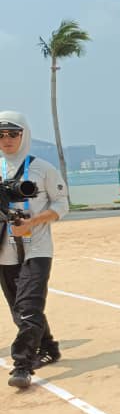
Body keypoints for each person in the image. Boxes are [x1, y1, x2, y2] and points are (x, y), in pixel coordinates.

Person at [0, 112, 68, 388]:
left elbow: (63, 203)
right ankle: (49, 347)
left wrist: (35, 220)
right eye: (1, 134)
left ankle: (22, 365)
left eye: (12, 134)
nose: (6, 140)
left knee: (29, 307)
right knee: (21, 310)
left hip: (37, 247)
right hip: (4, 250)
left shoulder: (42, 168)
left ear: (24, 134)